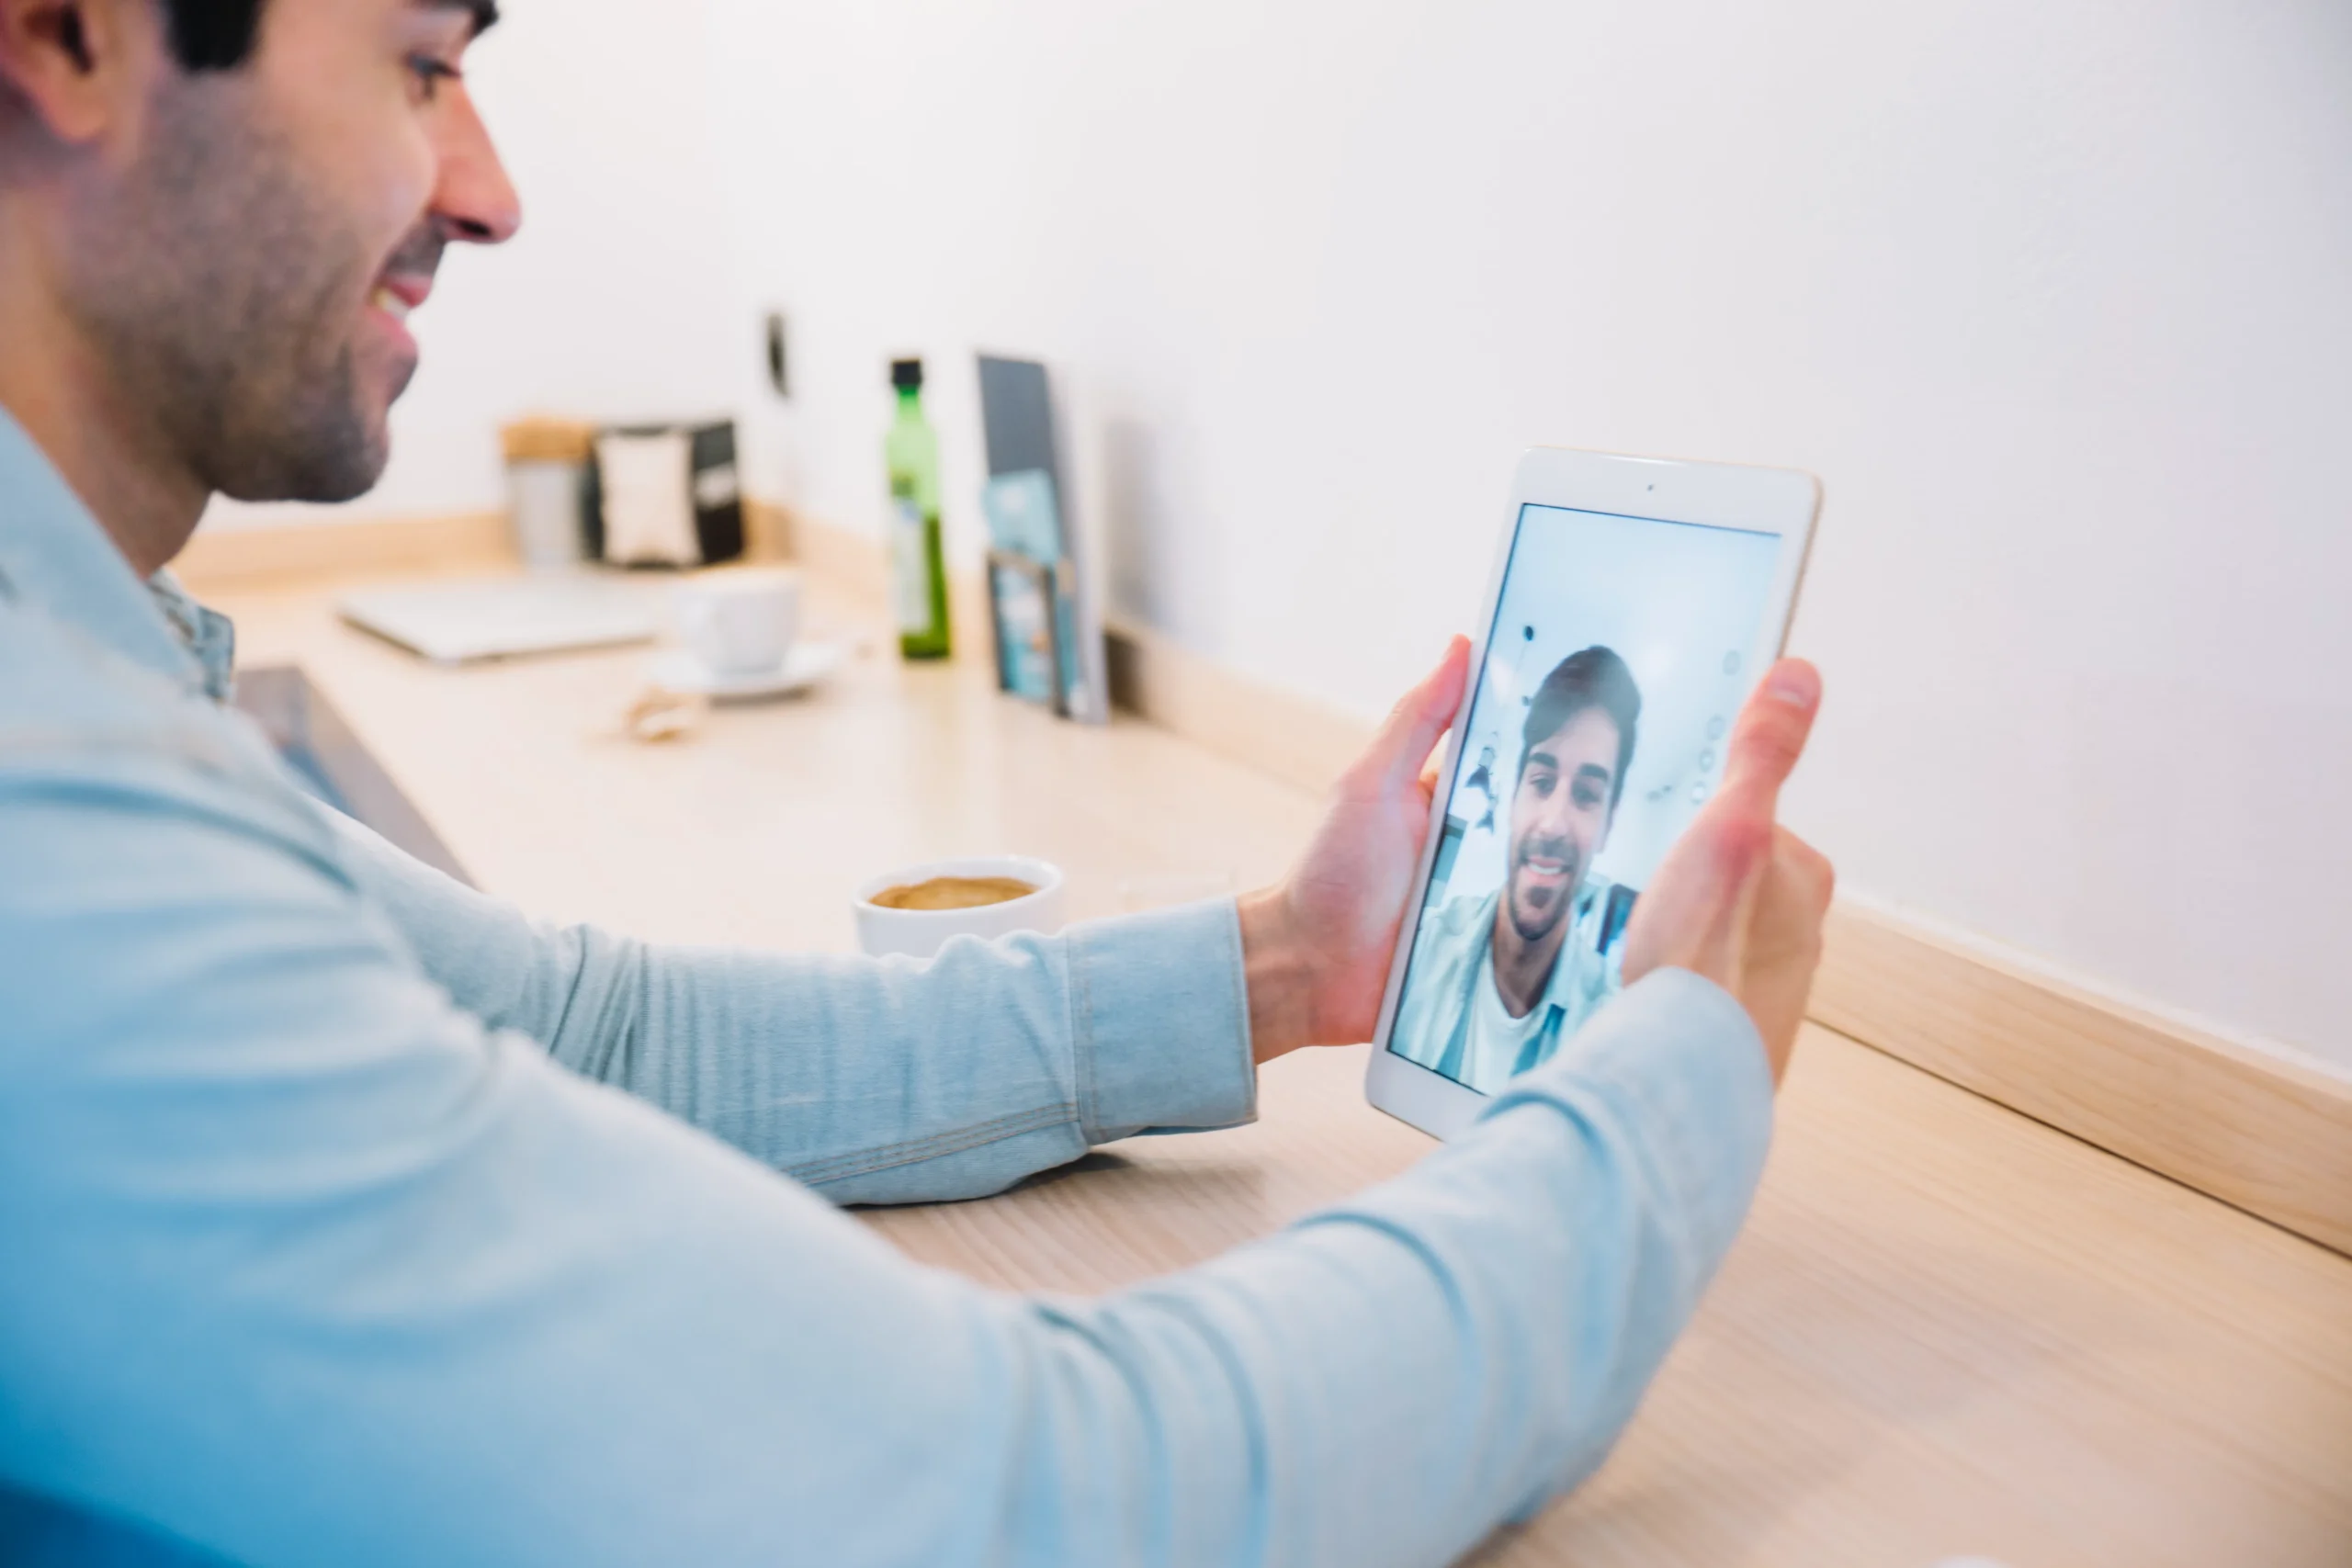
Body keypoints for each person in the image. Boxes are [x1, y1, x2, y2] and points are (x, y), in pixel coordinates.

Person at [0, 2, 1838, 1563]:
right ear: (68, 34)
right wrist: (1660, 1092)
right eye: (417, 62)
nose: (487, 189)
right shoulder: (46, 836)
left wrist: (1283, 962)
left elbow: (587, 1033)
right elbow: (1029, 1500)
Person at [1391, 648, 1642, 1093]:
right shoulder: (1421, 950)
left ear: (1608, 824)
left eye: (1585, 794)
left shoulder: (1614, 1030)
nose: (1552, 822)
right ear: (1512, 799)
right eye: (1542, 783)